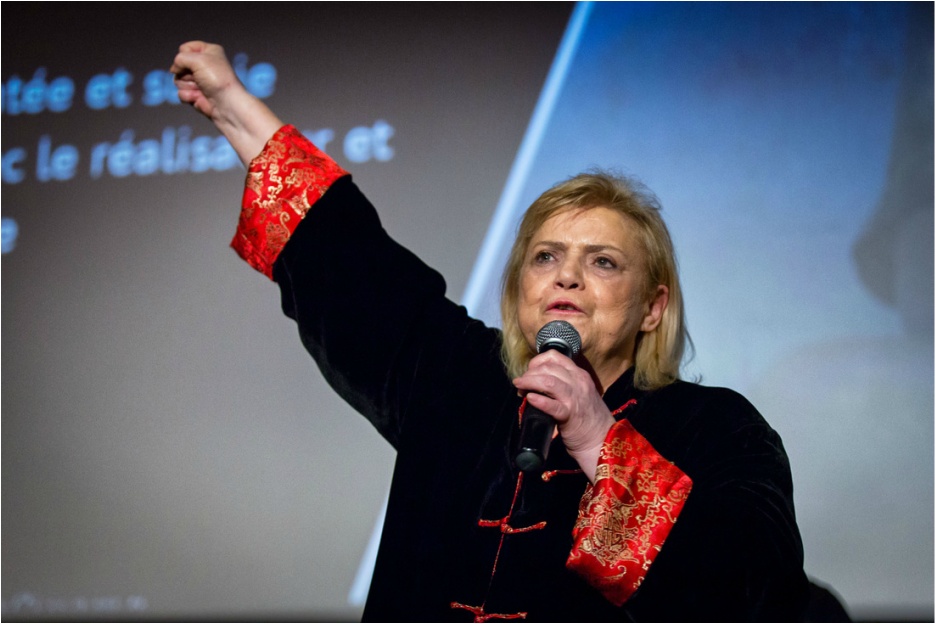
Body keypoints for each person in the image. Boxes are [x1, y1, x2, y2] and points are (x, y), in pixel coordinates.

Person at [172, 41, 813, 622]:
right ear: (518, 291)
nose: (567, 278)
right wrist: (233, 107)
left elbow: (756, 591)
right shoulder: (459, 383)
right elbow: (349, 263)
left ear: (653, 307)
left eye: (603, 262)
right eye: (545, 257)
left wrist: (597, 440)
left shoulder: (718, 428)